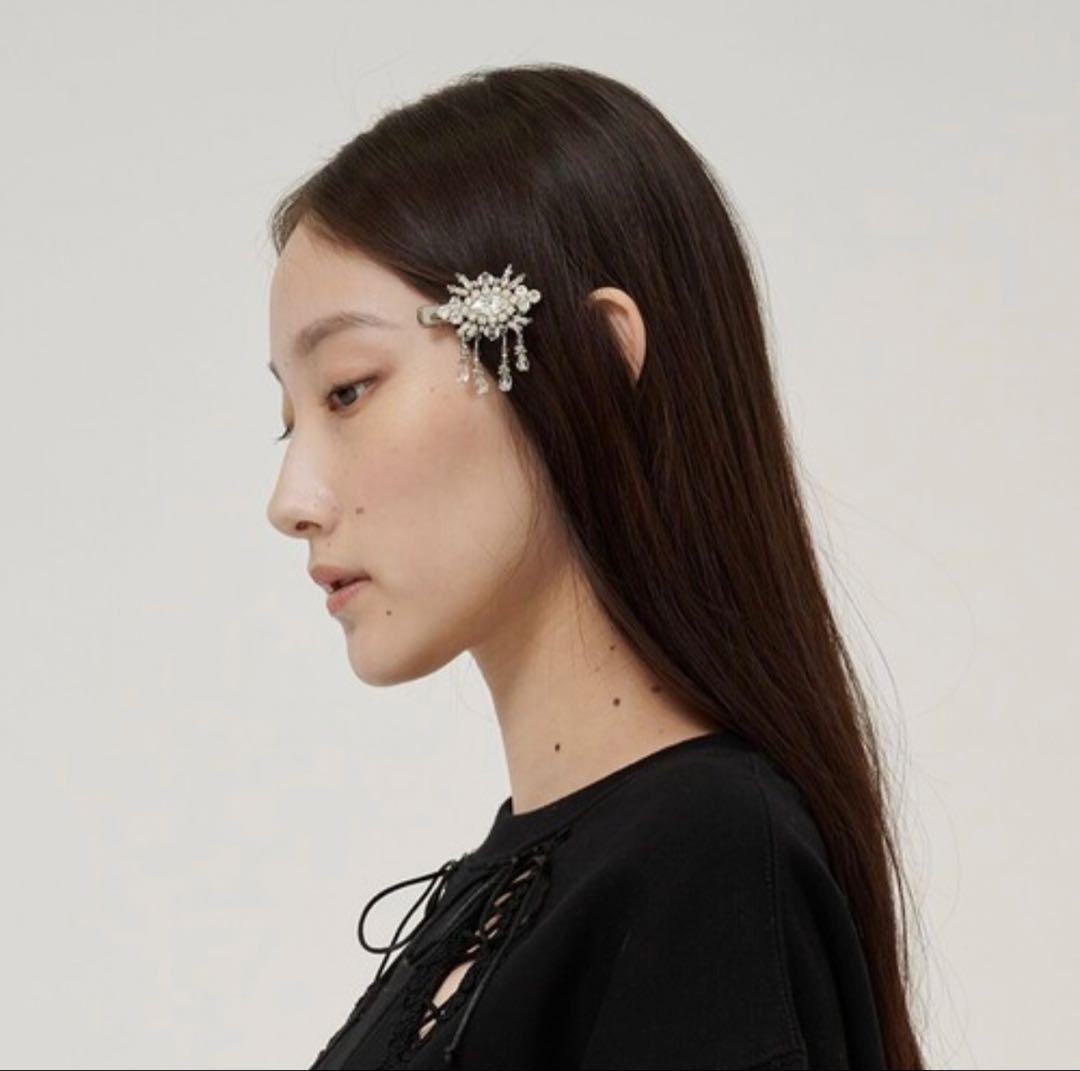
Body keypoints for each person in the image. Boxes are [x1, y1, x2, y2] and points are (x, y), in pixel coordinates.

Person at [264, 62, 927, 1069]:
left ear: (597, 354)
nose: (291, 500)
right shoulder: (518, 891)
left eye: (348, 389)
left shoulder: (705, 859)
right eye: (288, 420)